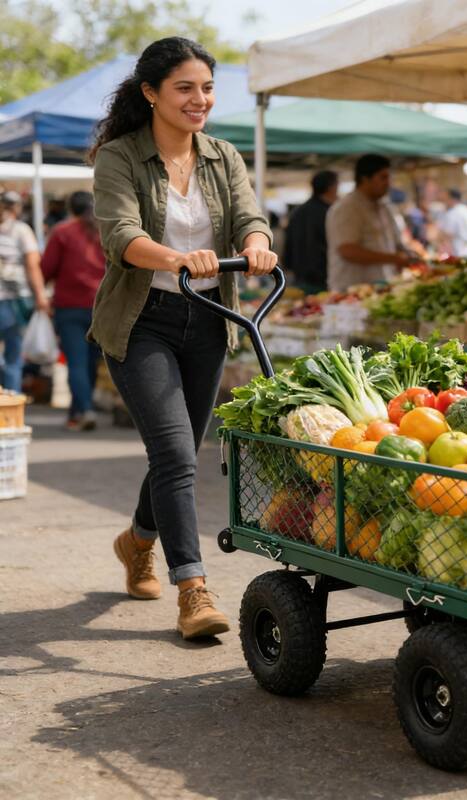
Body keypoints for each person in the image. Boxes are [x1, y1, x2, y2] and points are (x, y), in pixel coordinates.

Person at [86, 37, 277, 640]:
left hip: (209, 319)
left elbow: (248, 216)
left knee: (181, 453)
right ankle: (192, 589)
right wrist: (177, 257)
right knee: (173, 454)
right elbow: (120, 234)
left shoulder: (223, 155)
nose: (201, 100)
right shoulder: (119, 156)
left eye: (208, 88)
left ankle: (137, 542)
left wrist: (254, 245)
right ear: (151, 94)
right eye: (185, 88)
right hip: (142, 320)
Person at [41, 191, 105, 430]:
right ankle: (77, 411)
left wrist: (42, 294)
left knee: (76, 362)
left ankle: (85, 409)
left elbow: (46, 268)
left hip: (69, 306)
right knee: (90, 362)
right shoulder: (103, 230)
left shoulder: (62, 231)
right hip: (101, 306)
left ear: (71, 208)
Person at [326, 154, 410, 292]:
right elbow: (348, 251)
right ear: (365, 178)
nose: (388, 183)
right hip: (352, 291)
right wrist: (394, 258)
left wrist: (406, 255)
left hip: (383, 285)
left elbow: (396, 243)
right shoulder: (347, 208)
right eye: (383, 177)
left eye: (389, 177)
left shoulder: (385, 206)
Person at [0, 191, 49, 393]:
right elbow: (32, 265)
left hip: (10, 299)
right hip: (13, 300)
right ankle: (10, 409)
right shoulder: (21, 230)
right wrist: (40, 296)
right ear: (16, 207)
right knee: (13, 355)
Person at [283, 170, 338, 294]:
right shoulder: (330, 213)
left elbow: (288, 244)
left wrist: (288, 267)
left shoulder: (297, 212)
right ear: (331, 187)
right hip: (323, 276)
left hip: (299, 275)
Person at [438, 188, 467, 257]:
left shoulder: (453, 213)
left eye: (445, 198)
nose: (444, 201)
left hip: (460, 255)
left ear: (450, 198)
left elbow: (447, 236)